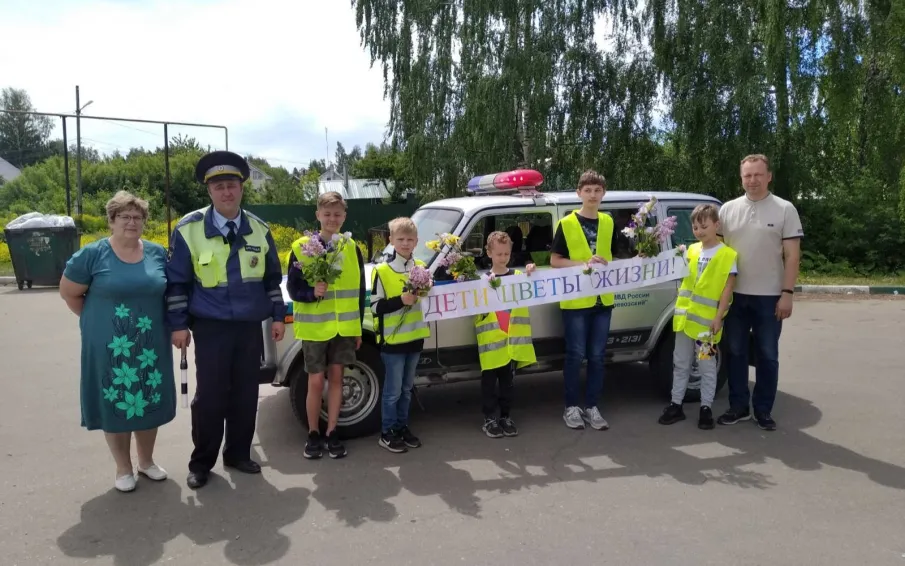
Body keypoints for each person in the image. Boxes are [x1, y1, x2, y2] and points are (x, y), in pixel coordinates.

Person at [165, 150, 286, 489]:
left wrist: (278, 316)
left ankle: (238, 453)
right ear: (209, 192)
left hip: (249, 326)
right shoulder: (189, 229)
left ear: (242, 189)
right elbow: (177, 282)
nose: (226, 192)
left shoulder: (260, 230)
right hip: (211, 327)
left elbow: (271, 280)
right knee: (211, 396)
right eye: (219, 187)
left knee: (246, 393)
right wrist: (177, 324)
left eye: (232, 185)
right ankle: (201, 462)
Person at [59, 191, 176, 492]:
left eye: (137, 217)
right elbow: (70, 293)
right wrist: (97, 323)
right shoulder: (93, 254)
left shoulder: (156, 253)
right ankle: (123, 468)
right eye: (124, 216)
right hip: (109, 345)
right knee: (116, 401)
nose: (131, 222)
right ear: (111, 220)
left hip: (150, 344)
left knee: (147, 397)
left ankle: (146, 462)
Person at [716, 154, 803, 431]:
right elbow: (715, 253)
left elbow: (792, 256)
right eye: (747, 175)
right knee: (736, 352)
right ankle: (738, 407)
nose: (752, 180)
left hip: (770, 297)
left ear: (769, 176)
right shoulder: (727, 210)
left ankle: (763, 409)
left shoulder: (785, 209)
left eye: (757, 175)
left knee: (767, 355)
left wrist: (787, 293)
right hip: (735, 296)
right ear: (741, 178)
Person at [286, 191, 365, 460]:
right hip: (315, 329)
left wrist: (357, 327)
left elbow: (359, 290)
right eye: (327, 213)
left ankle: (332, 432)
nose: (332, 219)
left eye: (338, 214)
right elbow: (293, 289)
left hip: (344, 328)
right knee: (316, 382)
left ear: (344, 216)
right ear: (318, 215)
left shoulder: (351, 247)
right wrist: (312, 292)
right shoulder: (302, 247)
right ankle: (312, 433)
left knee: (337, 380)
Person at [549, 170, 618, 431]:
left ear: (603, 193)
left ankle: (592, 406)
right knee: (575, 355)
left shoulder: (609, 221)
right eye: (587, 190)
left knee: (598, 356)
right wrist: (583, 264)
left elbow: (615, 256)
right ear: (579, 193)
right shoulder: (566, 224)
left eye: (597, 190)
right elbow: (555, 261)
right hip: (576, 301)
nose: (592, 194)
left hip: (603, 300)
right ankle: (571, 407)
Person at [658, 203, 737, 429]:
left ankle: (706, 408)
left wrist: (719, 317)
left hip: (706, 326)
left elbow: (726, 290)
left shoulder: (727, 255)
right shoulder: (691, 251)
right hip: (684, 320)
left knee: (706, 365)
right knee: (680, 363)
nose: (699, 231)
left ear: (716, 225)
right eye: (695, 227)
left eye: (703, 226)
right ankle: (676, 404)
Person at [370, 217, 431, 453]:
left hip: (415, 338)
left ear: (416, 242)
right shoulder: (382, 271)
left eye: (409, 239)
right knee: (393, 392)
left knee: (407, 389)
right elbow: (375, 307)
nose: (405, 243)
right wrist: (400, 301)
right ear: (391, 241)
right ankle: (387, 433)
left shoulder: (422, 269)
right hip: (393, 342)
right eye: (400, 239)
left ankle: (402, 427)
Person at [475, 231, 536, 438]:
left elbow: (533, 283)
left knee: (508, 386)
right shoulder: (482, 280)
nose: (503, 258)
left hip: (511, 345)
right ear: (489, 253)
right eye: (499, 254)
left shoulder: (517, 277)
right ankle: (489, 419)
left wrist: (531, 269)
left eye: (506, 254)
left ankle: (505, 417)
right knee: (489, 386)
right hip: (492, 345)